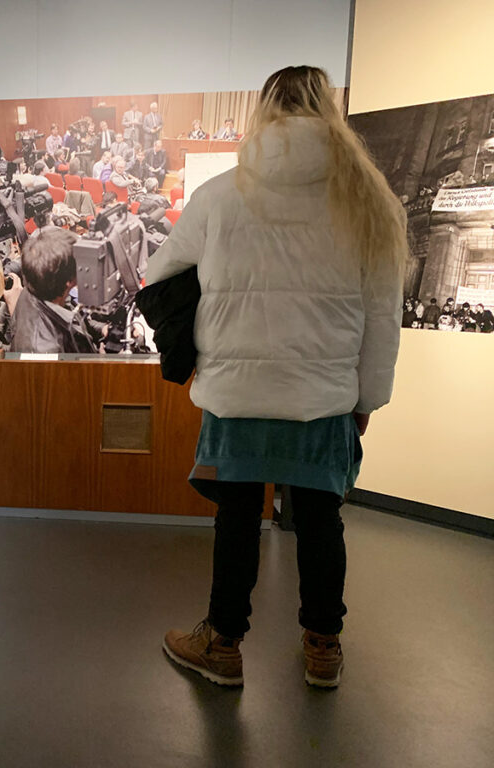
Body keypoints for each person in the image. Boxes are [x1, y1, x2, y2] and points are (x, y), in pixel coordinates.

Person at [150, 66, 406, 689]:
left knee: (236, 519)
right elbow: (381, 316)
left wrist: (197, 347)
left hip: (236, 393)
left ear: (264, 110)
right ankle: (323, 648)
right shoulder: (370, 202)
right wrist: (368, 398)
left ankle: (223, 644)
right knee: (321, 521)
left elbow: (160, 278)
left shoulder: (218, 196)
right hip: (323, 398)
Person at [10, 228, 107, 353]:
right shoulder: (46, 351)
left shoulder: (37, 285)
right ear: (70, 281)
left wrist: (102, 328)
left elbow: (75, 321)